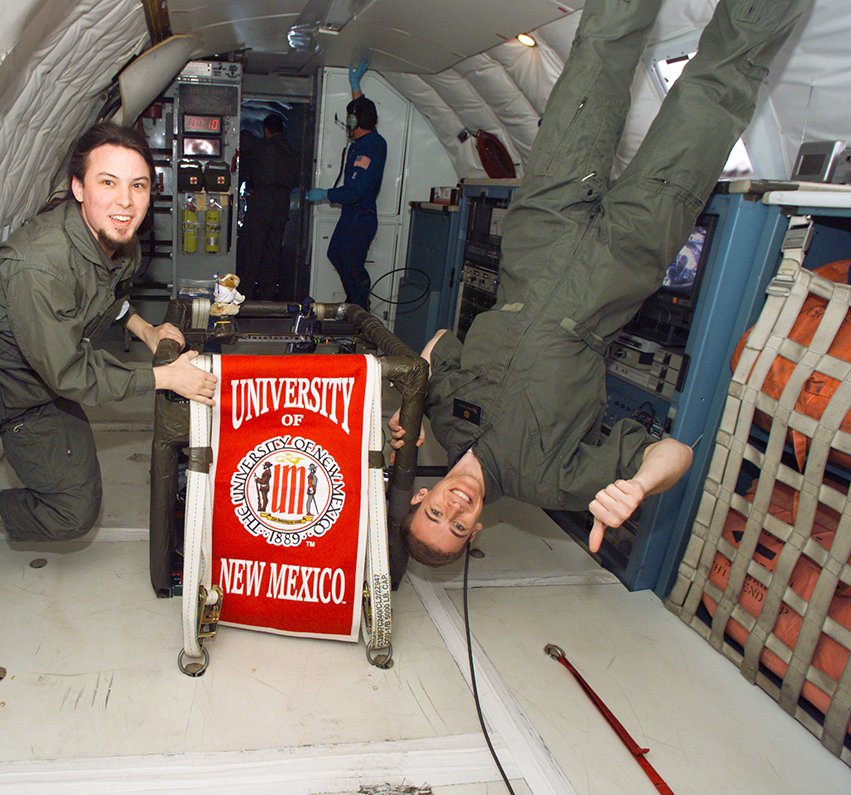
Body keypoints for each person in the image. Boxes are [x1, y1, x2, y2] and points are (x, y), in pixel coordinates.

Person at [390, 0, 809, 567]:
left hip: (540, 229)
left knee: (596, 57)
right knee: (714, 94)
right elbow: (675, 453)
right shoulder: (551, 482)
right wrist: (640, 487)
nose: (454, 509)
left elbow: (442, 344)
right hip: (623, 260)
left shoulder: (444, 421)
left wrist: (412, 400)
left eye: (435, 512)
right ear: (477, 528)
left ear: (422, 494)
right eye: (460, 527)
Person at [0, 121, 218, 781]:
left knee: (74, 509)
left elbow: (103, 301)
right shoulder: (38, 259)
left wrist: (141, 325)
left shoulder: (122, 243)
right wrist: (166, 375)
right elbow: (73, 375)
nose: (125, 200)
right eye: (108, 182)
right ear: (78, 187)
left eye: (138, 185)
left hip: (33, 388)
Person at [307, 59, 386, 312]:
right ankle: (355, 302)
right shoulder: (369, 136)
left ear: (354, 122)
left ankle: (360, 312)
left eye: (351, 119)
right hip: (352, 216)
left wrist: (325, 194)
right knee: (336, 255)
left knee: (351, 269)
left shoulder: (370, 147)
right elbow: (361, 111)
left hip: (359, 217)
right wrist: (356, 86)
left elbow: (354, 192)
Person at [237, 113, 301, 299]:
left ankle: (245, 297)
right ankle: (268, 298)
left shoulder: (261, 147)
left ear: (266, 130)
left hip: (260, 205)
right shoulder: (292, 152)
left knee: (252, 252)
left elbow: (244, 140)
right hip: (281, 206)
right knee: (273, 254)